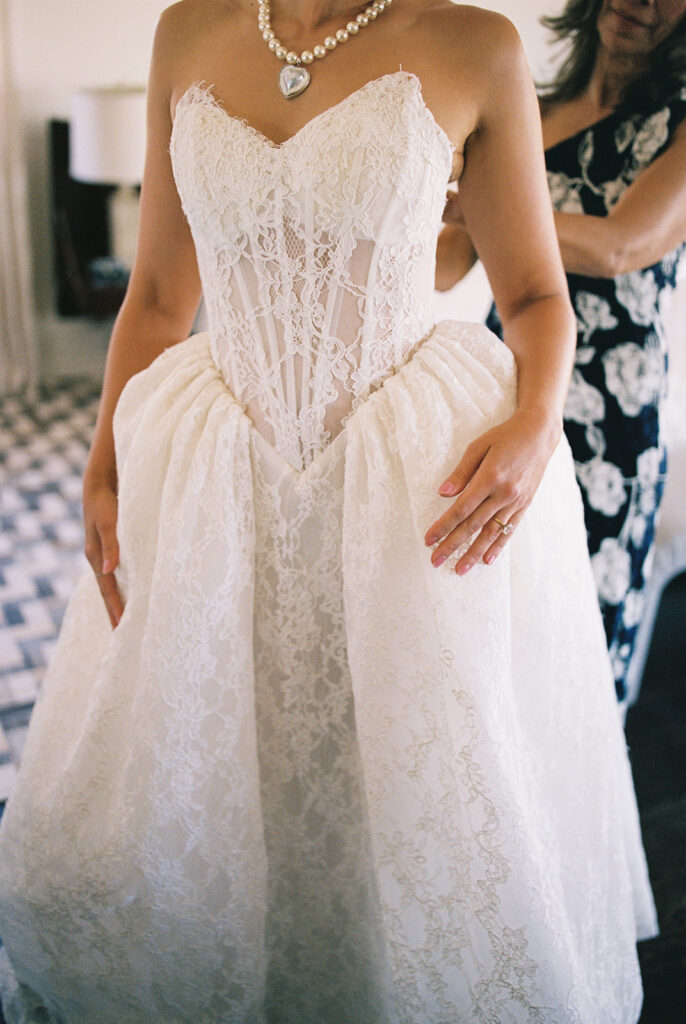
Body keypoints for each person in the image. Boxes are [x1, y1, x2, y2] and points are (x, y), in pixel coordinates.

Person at [0, 1, 657, 1021]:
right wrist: (104, 461)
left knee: (398, 770)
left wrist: (534, 423)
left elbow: (533, 293)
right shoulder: (187, 30)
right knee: (219, 749)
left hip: (406, 478)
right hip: (219, 474)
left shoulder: (474, 46)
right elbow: (161, 293)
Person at [438, 0, 686, 703]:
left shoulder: (679, 125)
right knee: (489, 611)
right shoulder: (530, 111)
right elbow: (447, 266)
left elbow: (623, 246)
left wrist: (479, 206)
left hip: (611, 412)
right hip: (507, 388)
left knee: (579, 638)